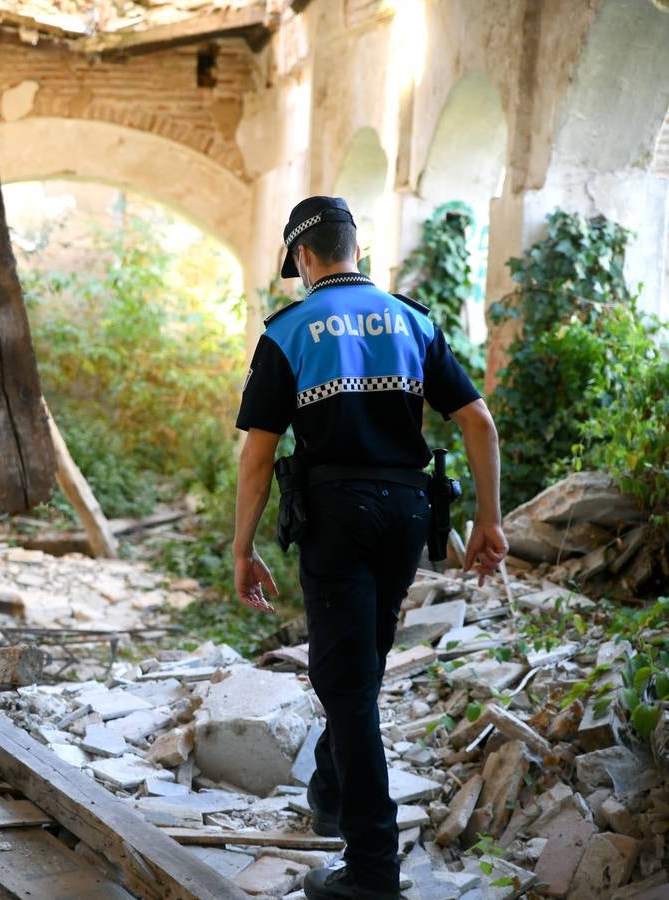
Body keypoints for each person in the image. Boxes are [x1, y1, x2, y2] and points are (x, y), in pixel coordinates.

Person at [231, 197, 507, 900]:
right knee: (359, 671)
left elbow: (259, 455)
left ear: (303, 259)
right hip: (407, 516)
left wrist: (243, 546)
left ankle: (374, 870)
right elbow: (478, 421)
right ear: (358, 248)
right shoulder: (412, 320)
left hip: (339, 518)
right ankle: (330, 788)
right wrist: (489, 521)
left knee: (348, 687)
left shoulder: (291, 331)